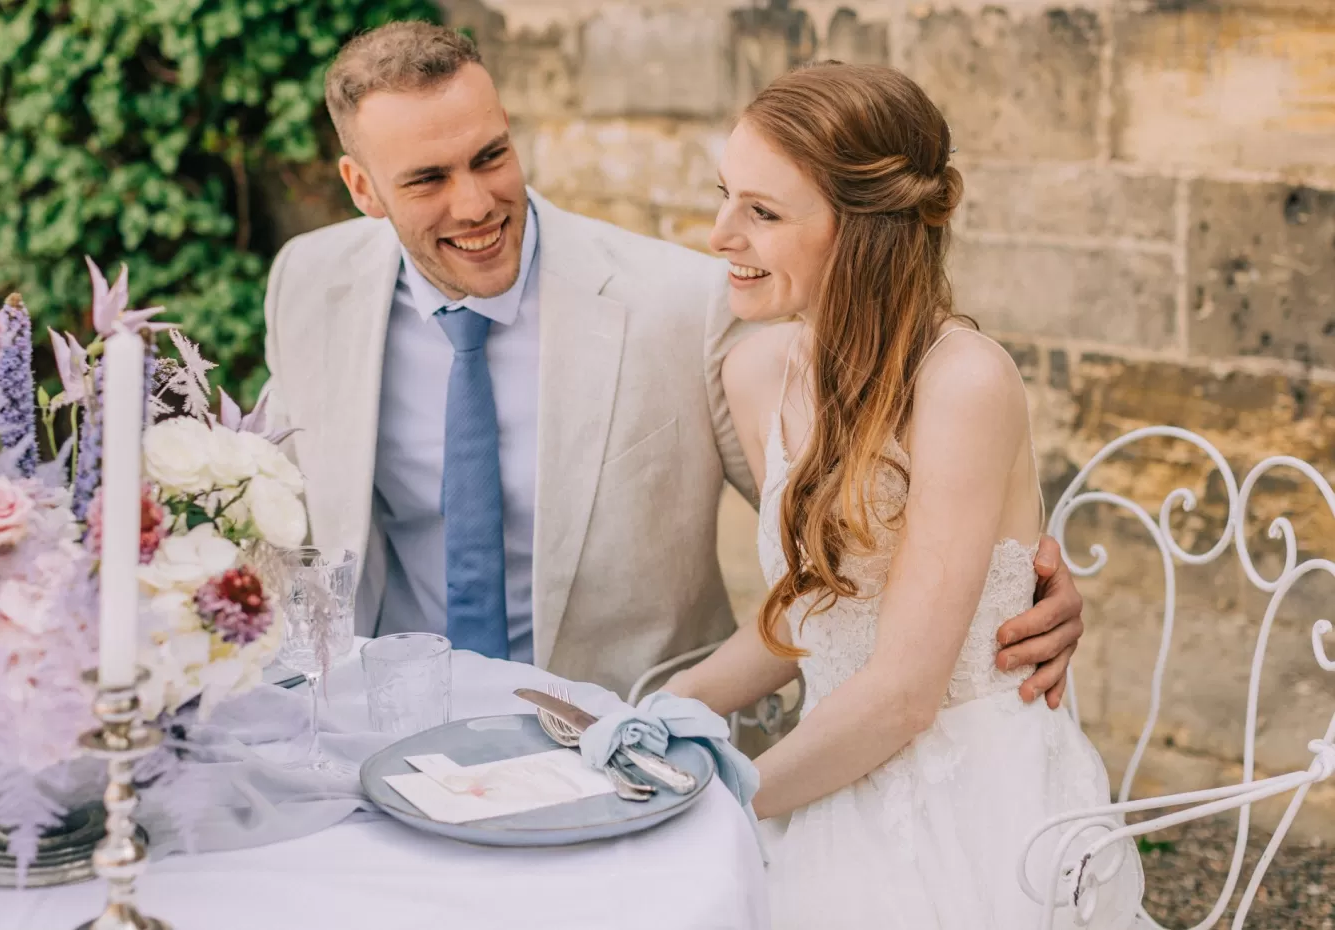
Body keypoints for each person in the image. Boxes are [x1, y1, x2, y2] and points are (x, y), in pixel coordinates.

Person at [259, 21, 1085, 705]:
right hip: (386, 722)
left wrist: (1017, 585)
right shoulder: (308, 282)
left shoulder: (687, 304)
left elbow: (854, 532)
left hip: (621, 736)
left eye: (490, 156)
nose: (474, 204)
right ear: (362, 188)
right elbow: (282, 513)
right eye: (428, 180)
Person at [661, 62, 1143, 926]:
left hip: (977, 812)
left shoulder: (964, 384)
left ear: (861, 233)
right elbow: (811, 622)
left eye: (762, 213)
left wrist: (722, 798)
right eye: (725, 194)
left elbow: (904, 694)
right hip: (829, 768)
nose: (719, 233)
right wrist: (664, 713)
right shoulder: (758, 369)